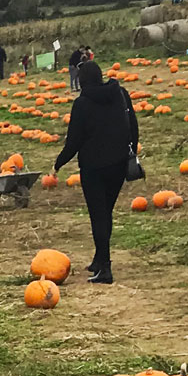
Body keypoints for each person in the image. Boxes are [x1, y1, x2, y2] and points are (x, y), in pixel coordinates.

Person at [53, 59, 139, 283]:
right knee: (105, 213)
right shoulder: (120, 93)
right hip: (119, 164)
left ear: (81, 81)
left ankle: (106, 269)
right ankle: (99, 258)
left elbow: (74, 141)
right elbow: (133, 125)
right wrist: (131, 153)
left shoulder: (82, 104)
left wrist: (58, 163)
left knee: (98, 216)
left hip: (94, 168)